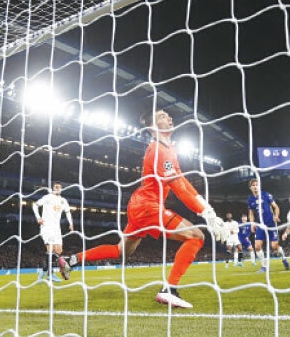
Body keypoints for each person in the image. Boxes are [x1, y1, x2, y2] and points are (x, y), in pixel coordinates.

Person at [59, 109, 228, 309]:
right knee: (196, 236)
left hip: (139, 205)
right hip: (148, 207)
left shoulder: (169, 148)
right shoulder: (158, 150)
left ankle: (72, 259)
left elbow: (182, 180)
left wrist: (207, 208)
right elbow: (178, 188)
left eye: (167, 114)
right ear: (152, 127)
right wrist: (205, 213)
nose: (170, 117)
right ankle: (169, 290)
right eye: (163, 116)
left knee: (121, 252)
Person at [32, 181, 73, 282]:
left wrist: (71, 223)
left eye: (59, 187)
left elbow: (68, 212)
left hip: (56, 228)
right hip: (46, 226)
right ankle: (50, 274)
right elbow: (35, 205)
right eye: (56, 187)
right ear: (53, 188)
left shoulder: (63, 201)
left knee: (59, 250)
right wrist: (38, 218)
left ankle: (43, 272)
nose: (57, 188)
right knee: (50, 249)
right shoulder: (48, 197)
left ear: (61, 189)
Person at [248, 179, 290, 273]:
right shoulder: (250, 199)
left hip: (271, 223)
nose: (255, 187)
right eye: (253, 185)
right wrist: (252, 223)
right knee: (257, 246)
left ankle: (284, 258)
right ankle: (264, 267)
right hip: (260, 225)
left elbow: (276, 207)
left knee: (274, 246)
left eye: (257, 185)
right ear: (250, 188)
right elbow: (251, 213)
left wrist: (276, 216)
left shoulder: (266, 195)